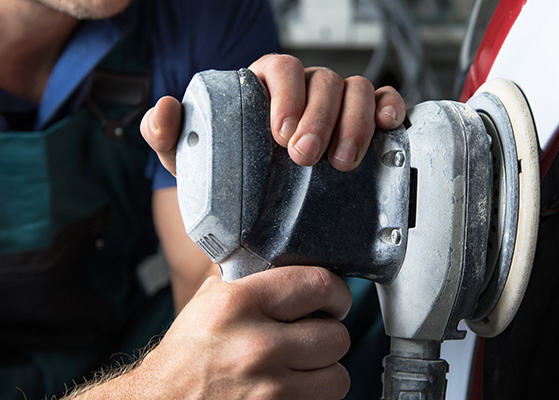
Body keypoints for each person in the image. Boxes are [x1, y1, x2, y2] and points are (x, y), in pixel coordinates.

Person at [0, 0, 406, 399]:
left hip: (115, 348)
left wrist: (283, 186)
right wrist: (157, 390)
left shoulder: (205, 14)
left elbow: (204, 285)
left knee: (349, 288)